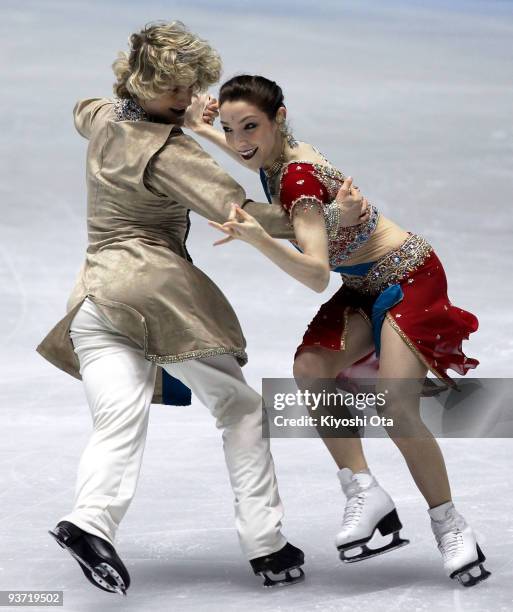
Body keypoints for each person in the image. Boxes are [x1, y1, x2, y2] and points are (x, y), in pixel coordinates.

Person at [36, 23, 368, 594]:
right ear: (150, 86)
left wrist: (146, 102)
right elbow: (239, 213)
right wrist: (324, 216)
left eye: (193, 88)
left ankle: (89, 523)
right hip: (150, 293)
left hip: (94, 300)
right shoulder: (169, 153)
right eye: (180, 91)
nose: (191, 101)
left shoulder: (105, 117)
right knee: (241, 408)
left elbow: (81, 108)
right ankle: (267, 546)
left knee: (119, 415)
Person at [188, 74, 490, 588]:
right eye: (230, 127)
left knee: (397, 407)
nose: (239, 141)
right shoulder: (272, 152)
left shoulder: (297, 183)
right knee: (310, 368)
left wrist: (260, 238)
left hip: (409, 277)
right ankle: (363, 489)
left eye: (250, 127)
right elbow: (248, 154)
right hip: (366, 285)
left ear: (279, 118)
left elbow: (315, 275)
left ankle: (450, 524)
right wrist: (202, 128)